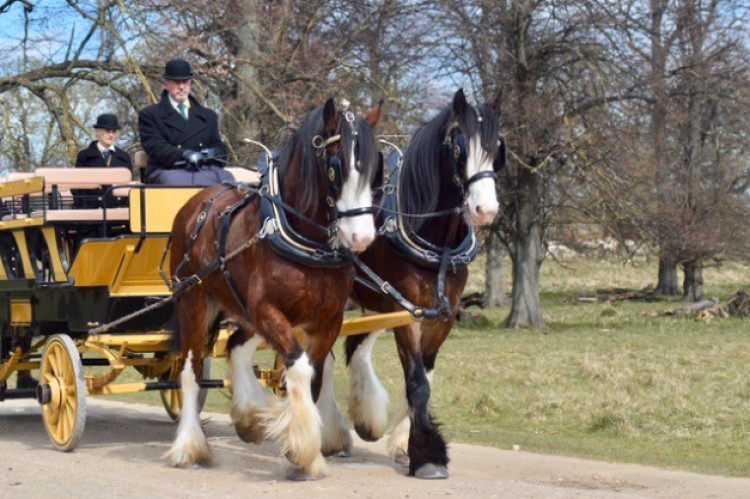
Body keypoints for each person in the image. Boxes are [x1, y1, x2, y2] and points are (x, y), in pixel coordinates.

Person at [138, 58, 234, 186]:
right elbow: (156, 147)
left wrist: (211, 154)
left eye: (185, 81)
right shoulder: (150, 114)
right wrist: (184, 154)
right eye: (176, 82)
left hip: (202, 169)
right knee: (176, 182)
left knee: (227, 178)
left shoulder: (208, 115)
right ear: (165, 84)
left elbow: (218, 145)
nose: (182, 86)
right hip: (167, 169)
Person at [74, 113, 132, 208]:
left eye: (113, 131)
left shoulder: (124, 157)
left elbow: (127, 187)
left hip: (118, 208)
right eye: (107, 131)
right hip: (91, 208)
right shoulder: (84, 156)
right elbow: (78, 187)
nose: (111, 135)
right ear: (98, 132)